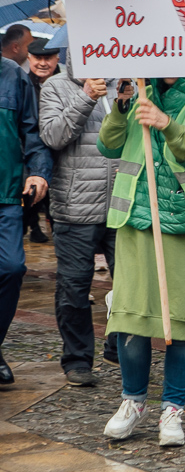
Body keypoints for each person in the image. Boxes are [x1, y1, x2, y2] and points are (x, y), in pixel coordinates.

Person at [97, 77, 185, 447]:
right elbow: (108, 145)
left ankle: (173, 408)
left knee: (183, 321)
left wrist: (167, 125)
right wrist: (122, 106)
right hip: (137, 221)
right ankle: (133, 401)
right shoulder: (137, 88)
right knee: (130, 315)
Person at [38, 53, 118, 386]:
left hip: (122, 205)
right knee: (73, 289)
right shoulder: (55, 86)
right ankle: (77, 359)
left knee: (130, 286)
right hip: (75, 207)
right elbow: (53, 137)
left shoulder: (126, 84)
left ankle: (120, 348)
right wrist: (86, 97)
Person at [0, 51, 50, 385]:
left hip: (6, 193)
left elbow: (31, 131)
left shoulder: (12, 75)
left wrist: (38, 171)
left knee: (12, 267)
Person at [24, 38, 59, 243]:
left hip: (59, 154)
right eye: (38, 58)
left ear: (57, 59)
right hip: (30, 154)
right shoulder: (22, 84)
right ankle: (33, 226)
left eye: (48, 58)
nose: (43, 63)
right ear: (29, 58)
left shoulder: (66, 84)